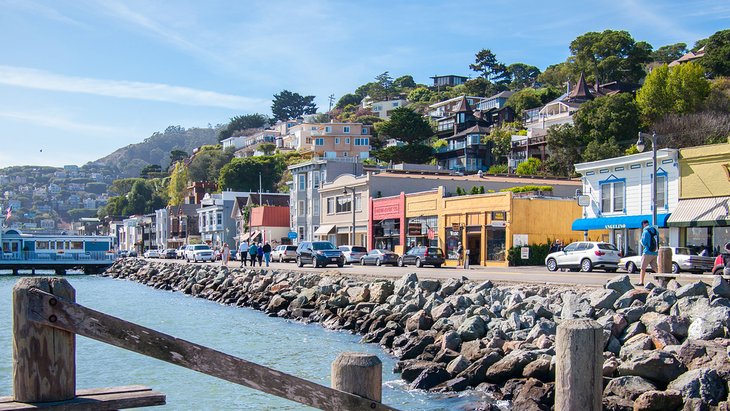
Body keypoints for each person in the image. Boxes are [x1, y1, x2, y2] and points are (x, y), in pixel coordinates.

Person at [638, 220, 659, 286]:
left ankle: (641, 282)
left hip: (647, 252)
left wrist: (640, 241)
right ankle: (661, 280)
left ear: (643, 225)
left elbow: (644, 243)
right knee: (655, 267)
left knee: (643, 268)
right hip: (655, 252)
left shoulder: (645, 231)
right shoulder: (655, 231)